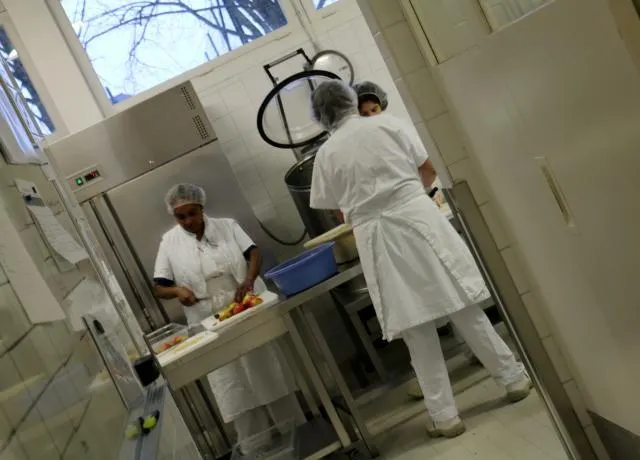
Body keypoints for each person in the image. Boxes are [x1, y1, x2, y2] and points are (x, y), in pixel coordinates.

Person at [309, 81, 531, 438]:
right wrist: (413, 194)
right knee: (462, 305)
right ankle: (513, 379)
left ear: (321, 117)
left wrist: (365, 208)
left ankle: (445, 418)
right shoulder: (388, 124)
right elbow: (428, 168)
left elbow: (337, 210)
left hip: (376, 236)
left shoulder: (325, 155)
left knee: (416, 328)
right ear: (350, 101)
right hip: (418, 217)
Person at [353, 80, 481, 400]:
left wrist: (413, 197)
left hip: (413, 221)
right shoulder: (368, 142)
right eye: (364, 113)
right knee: (430, 306)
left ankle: (472, 359)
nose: (370, 116)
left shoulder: (396, 130)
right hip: (403, 227)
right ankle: (454, 380)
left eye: (374, 109)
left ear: (382, 107)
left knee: (448, 296)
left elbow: (428, 168)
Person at [153, 184, 305, 445]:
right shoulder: (169, 242)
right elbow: (159, 287)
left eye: (192, 214)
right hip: (207, 320)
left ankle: (296, 434)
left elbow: (253, 253)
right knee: (230, 382)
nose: (188, 221)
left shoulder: (227, 226)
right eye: (181, 217)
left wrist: (248, 280)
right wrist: (177, 291)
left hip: (242, 305)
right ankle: (255, 446)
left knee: (266, 370)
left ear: (201, 208)